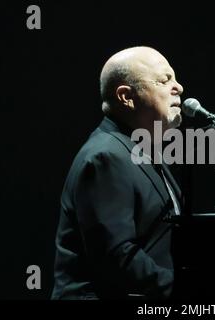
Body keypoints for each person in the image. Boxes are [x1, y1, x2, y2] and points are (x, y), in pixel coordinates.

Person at [51, 46, 184, 300]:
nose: (178, 87)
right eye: (165, 80)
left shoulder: (142, 150)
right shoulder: (106, 157)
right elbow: (117, 256)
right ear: (126, 96)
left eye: (175, 79)